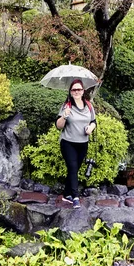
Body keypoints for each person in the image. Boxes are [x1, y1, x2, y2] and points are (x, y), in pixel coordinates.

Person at [55, 79, 96, 208]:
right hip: (68, 143)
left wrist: (90, 128)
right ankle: (75, 197)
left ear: (83, 91)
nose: (76, 91)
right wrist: (64, 116)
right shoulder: (66, 106)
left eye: (79, 89)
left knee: (74, 169)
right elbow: (58, 126)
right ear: (71, 92)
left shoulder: (89, 106)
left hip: (83, 143)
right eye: (74, 90)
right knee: (72, 167)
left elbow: (94, 121)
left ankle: (67, 194)